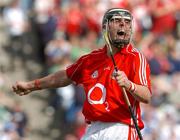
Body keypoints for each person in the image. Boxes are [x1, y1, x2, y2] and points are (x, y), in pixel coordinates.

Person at [12, 8, 152, 140]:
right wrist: (32, 85)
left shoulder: (135, 58)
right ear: (105, 27)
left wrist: (129, 84)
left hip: (121, 128)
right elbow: (64, 76)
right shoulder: (90, 59)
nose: (123, 25)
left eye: (127, 22)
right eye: (117, 21)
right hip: (93, 129)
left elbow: (146, 96)